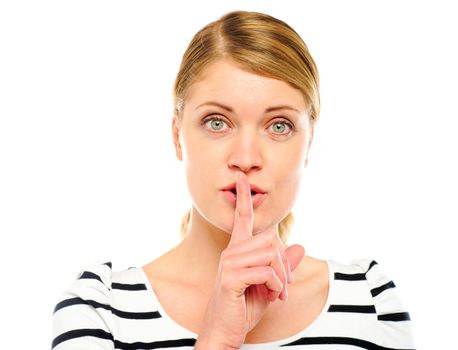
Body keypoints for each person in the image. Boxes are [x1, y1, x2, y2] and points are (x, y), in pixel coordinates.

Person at [51, 10, 415, 349]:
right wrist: (218, 337)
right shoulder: (101, 309)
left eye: (279, 126)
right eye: (217, 122)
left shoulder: (372, 302)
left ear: (309, 143)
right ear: (177, 135)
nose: (245, 159)